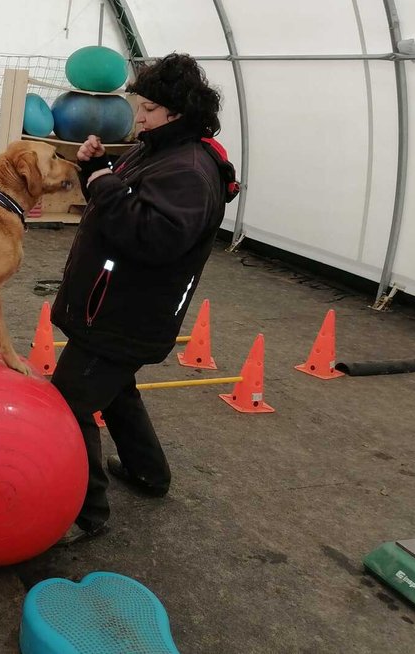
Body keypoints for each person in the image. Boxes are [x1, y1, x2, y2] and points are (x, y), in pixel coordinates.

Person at [50, 52, 239, 545]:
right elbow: (122, 205)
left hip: (123, 316)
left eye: (148, 108)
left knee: (70, 403)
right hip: (112, 308)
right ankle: (149, 475)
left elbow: (153, 236)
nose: (138, 116)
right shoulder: (156, 148)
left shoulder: (190, 171)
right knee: (116, 392)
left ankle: (83, 512)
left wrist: (105, 182)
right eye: (139, 105)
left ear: (176, 111)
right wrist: (97, 168)